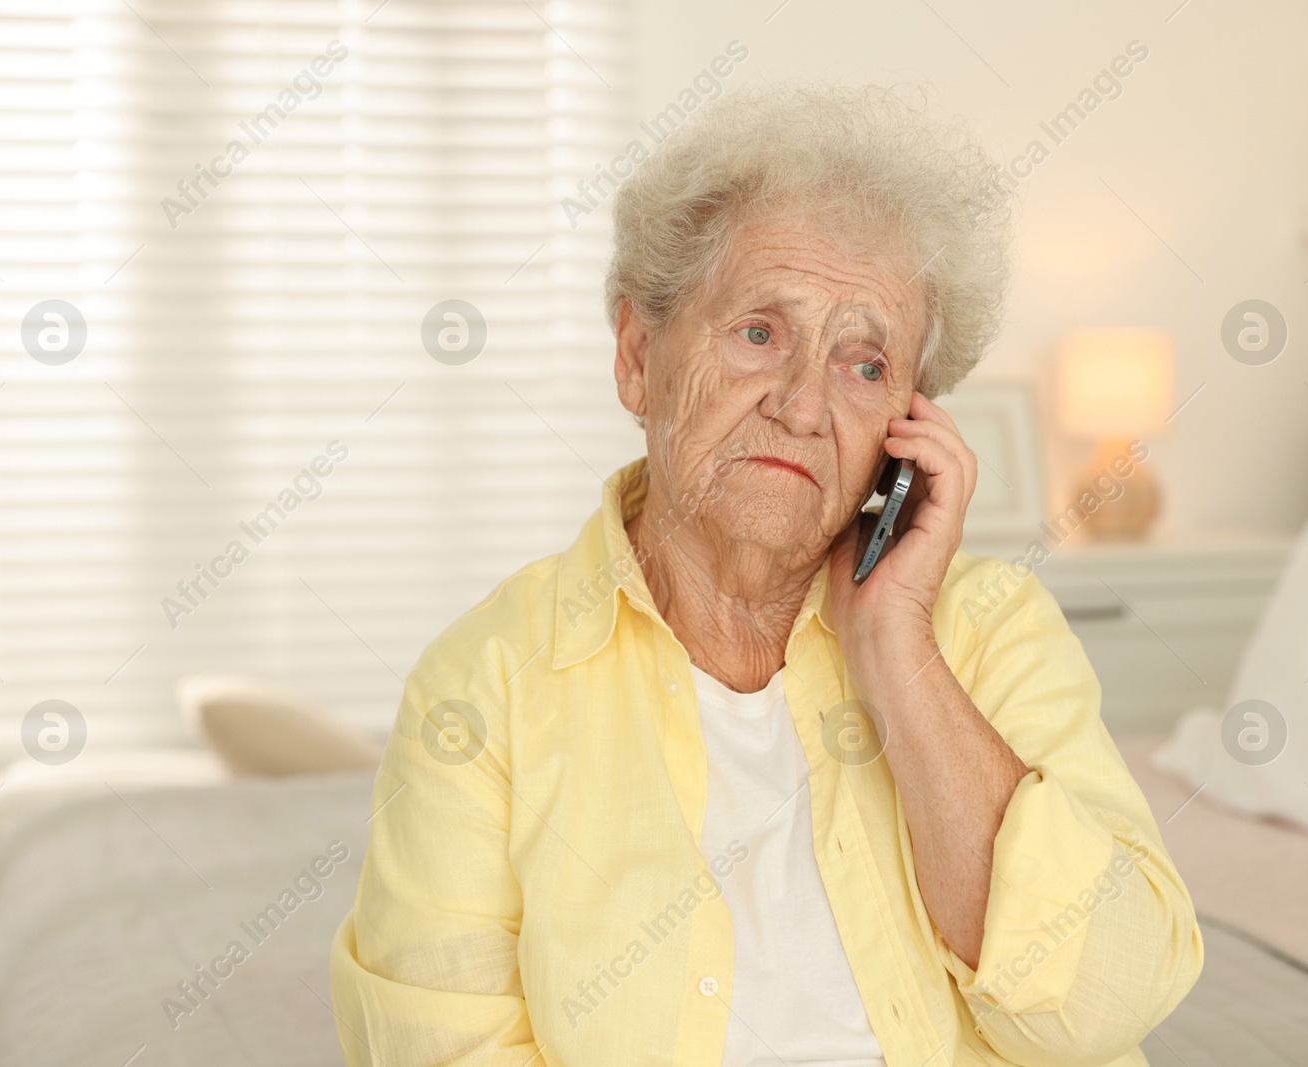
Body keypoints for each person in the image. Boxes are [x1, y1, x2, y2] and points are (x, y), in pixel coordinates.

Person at [330, 84, 1202, 1067]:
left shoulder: (991, 629)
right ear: (636, 357)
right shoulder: (482, 681)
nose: (802, 404)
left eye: (864, 364)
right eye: (758, 332)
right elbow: (439, 1044)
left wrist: (897, 648)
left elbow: (1107, 1002)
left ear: (905, 430)